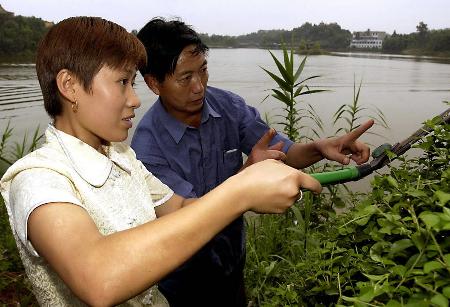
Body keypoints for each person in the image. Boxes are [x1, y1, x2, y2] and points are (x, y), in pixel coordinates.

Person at [0, 17, 323, 306]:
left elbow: (183, 208)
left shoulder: (124, 160)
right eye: (122, 82)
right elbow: (98, 278)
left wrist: (250, 184)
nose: (136, 99)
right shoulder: (37, 180)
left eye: (133, 83)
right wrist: (242, 190)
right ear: (70, 86)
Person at [131, 17, 374, 307]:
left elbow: (285, 153)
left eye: (203, 70)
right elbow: (183, 219)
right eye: (185, 78)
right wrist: (247, 177)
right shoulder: (146, 147)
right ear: (154, 83)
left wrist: (321, 147)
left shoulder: (229, 107)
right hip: (181, 278)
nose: (199, 87)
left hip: (233, 259)